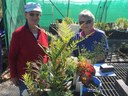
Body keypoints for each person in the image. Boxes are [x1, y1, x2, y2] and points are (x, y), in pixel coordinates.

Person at [8, 2, 49, 96]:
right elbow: (12, 56)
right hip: (26, 78)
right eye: (32, 14)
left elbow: (46, 53)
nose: (35, 17)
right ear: (25, 15)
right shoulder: (18, 34)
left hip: (42, 77)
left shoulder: (43, 33)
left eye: (37, 14)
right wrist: (13, 75)